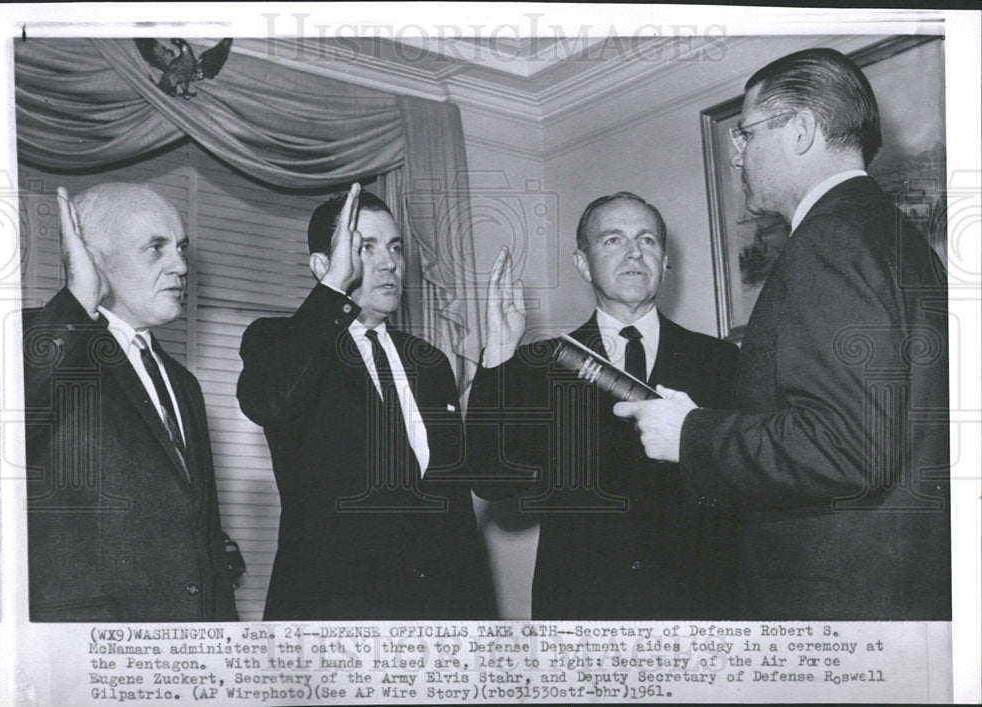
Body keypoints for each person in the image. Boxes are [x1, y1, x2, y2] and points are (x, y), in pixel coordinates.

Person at [614, 48, 950, 620]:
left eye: (745, 133)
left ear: (800, 131)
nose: (736, 155)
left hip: (836, 605)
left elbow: (850, 447)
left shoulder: (830, 241)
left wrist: (691, 435)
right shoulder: (894, 236)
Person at [468, 192, 740, 619]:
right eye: (613, 240)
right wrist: (500, 352)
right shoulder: (543, 363)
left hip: (695, 608)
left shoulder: (722, 362)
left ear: (666, 261)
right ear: (582, 263)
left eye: (648, 240)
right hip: (582, 611)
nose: (634, 252)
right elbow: (491, 480)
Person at [237, 184, 493, 620]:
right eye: (365, 248)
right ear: (323, 265)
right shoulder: (279, 341)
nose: (390, 261)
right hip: (333, 619)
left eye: (394, 247)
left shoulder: (428, 361)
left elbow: (463, 495)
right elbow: (271, 403)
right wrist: (335, 287)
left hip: (436, 620)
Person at [24, 183, 238, 622]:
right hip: (87, 657)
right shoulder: (41, 340)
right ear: (94, 255)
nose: (180, 265)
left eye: (180, 247)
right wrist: (79, 298)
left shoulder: (184, 384)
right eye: (155, 248)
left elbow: (204, 538)